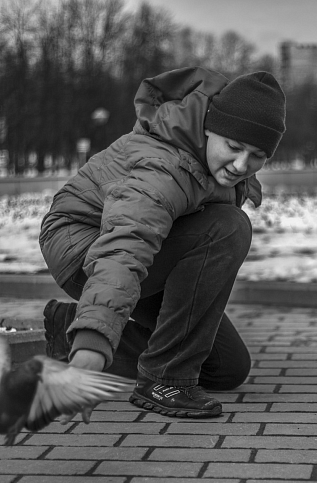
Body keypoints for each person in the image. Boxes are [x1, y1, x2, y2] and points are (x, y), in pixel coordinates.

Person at [39, 66, 286, 418]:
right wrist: (94, 342)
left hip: (142, 253)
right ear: (209, 129)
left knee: (227, 368)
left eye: (257, 155)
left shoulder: (208, 164)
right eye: (233, 146)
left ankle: (65, 328)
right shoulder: (164, 168)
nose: (241, 164)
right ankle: (164, 378)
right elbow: (125, 247)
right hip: (84, 249)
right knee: (228, 227)